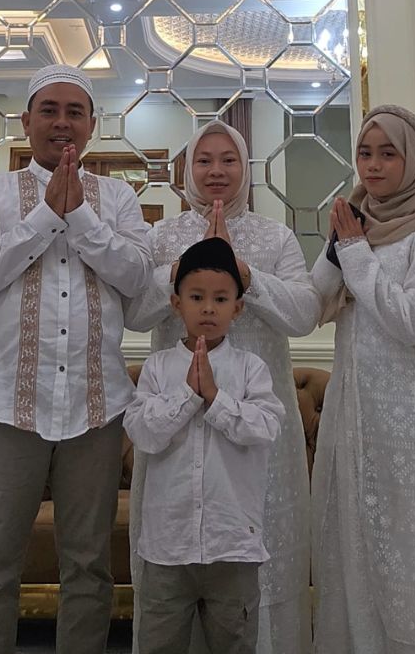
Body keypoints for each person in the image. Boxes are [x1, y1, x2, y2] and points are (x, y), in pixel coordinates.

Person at [0, 64, 152, 654]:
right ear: (26, 121)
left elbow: (137, 278)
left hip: (96, 409)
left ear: (92, 125)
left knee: (88, 566)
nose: (61, 122)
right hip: (8, 407)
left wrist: (82, 217)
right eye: (49, 110)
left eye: (74, 112)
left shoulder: (118, 197)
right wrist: (45, 216)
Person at [126, 120, 320, 654]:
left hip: (255, 415)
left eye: (228, 160)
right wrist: (186, 266)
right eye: (204, 160)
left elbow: (304, 315)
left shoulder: (275, 237)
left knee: (255, 548)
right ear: (188, 169)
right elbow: (135, 313)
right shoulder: (162, 236)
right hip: (176, 415)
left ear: (244, 168)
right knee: (176, 556)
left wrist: (243, 273)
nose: (216, 171)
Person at [310, 104, 415, 654]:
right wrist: (339, 246)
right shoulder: (357, 230)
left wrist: (355, 251)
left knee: (407, 547)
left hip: (406, 426)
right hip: (350, 416)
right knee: (349, 540)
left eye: (388, 154)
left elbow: (409, 321)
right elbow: (313, 304)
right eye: (364, 153)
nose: (372, 166)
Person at [125, 236, 283, 654]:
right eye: (196, 297)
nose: (209, 308)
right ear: (176, 304)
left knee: (235, 644)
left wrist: (215, 397)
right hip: (167, 546)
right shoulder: (157, 368)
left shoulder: (251, 369)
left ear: (238, 307)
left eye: (221, 298)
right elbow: (142, 432)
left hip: (233, 545)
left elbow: (266, 428)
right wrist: (188, 396)